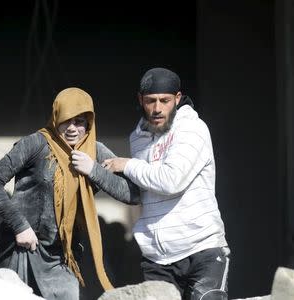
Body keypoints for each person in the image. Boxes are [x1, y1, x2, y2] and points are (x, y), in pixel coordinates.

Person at [74, 67, 230, 300]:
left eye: (164, 101)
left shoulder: (192, 129)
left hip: (202, 250)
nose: (157, 108)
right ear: (140, 100)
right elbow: (136, 193)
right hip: (156, 258)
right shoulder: (137, 138)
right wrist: (95, 172)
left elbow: (171, 180)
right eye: (150, 101)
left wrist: (126, 165)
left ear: (177, 99)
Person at [0, 87, 139, 300]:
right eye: (66, 120)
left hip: (63, 257)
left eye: (80, 121)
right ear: (56, 118)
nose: (73, 128)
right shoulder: (36, 144)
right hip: (23, 250)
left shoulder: (95, 151)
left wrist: (93, 170)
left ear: (89, 123)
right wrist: (20, 226)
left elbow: (132, 194)